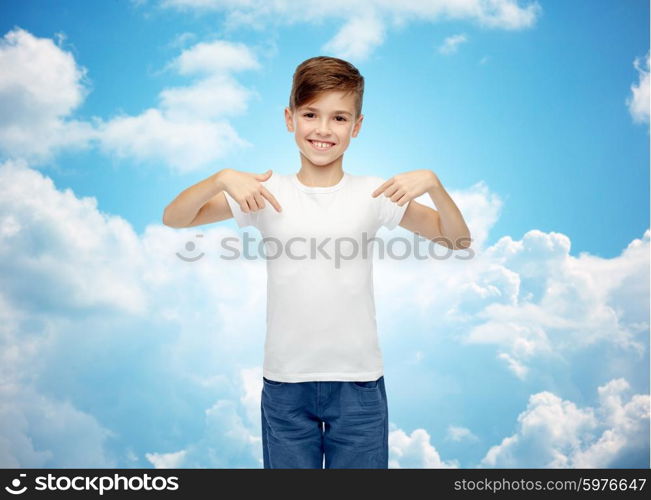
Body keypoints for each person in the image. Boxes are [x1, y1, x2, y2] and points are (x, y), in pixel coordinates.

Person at [162, 55, 471, 468]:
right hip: (286, 382)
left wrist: (433, 183)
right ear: (290, 119)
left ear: (357, 127)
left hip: (358, 382)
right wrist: (220, 178)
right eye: (311, 114)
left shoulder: (374, 194)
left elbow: (456, 239)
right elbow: (175, 218)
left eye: (339, 118)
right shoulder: (265, 193)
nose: (323, 130)